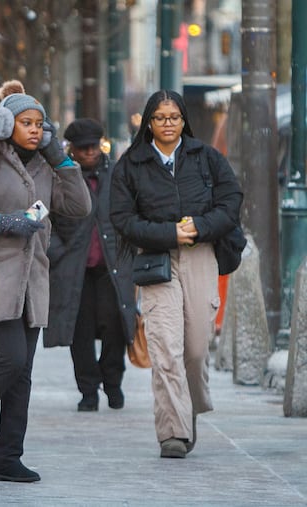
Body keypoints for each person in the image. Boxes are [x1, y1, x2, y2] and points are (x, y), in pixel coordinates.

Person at [0, 80, 91, 482]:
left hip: (33, 280)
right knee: (12, 359)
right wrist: (2, 222)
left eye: (41, 124)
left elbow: (79, 206)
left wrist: (60, 158)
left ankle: (7, 458)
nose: (35, 130)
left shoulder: (44, 161)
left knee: (22, 373)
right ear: (5, 123)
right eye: (26, 122)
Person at [110, 90, 243, 458]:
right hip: (156, 259)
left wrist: (198, 227)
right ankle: (173, 431)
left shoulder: (206, 158)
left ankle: (189, 409)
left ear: (184, 120)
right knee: (166, 347)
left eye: (174, 117)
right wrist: (170, 233)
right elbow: (122, 219)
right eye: (160, 117)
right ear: (148, 123)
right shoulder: (131, 164)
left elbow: (231, 202)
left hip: (201, 254)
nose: (167, 123)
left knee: (197, 349)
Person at [43, 118, 135, 412]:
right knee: (79, 332)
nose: (90, 153)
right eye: (83, 148)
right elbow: (44, 217)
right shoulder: (61, 177)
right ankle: (88, 390)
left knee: (115, 327)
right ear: (71, 149)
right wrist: (57, 251)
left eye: (94, 146)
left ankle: (113, 383)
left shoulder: (118, 175)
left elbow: (131, 213)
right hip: (73, 267)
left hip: (113, 267)